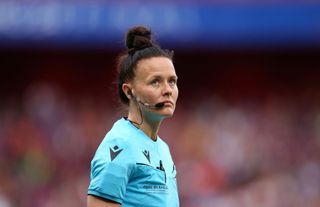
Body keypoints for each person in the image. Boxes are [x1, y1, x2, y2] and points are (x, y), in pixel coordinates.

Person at [87, 26, 179, 207]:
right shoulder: (120, 144)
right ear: (129, 91)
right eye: (155, 81)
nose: (168, 90)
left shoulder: (163, 148)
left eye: (172, 81)